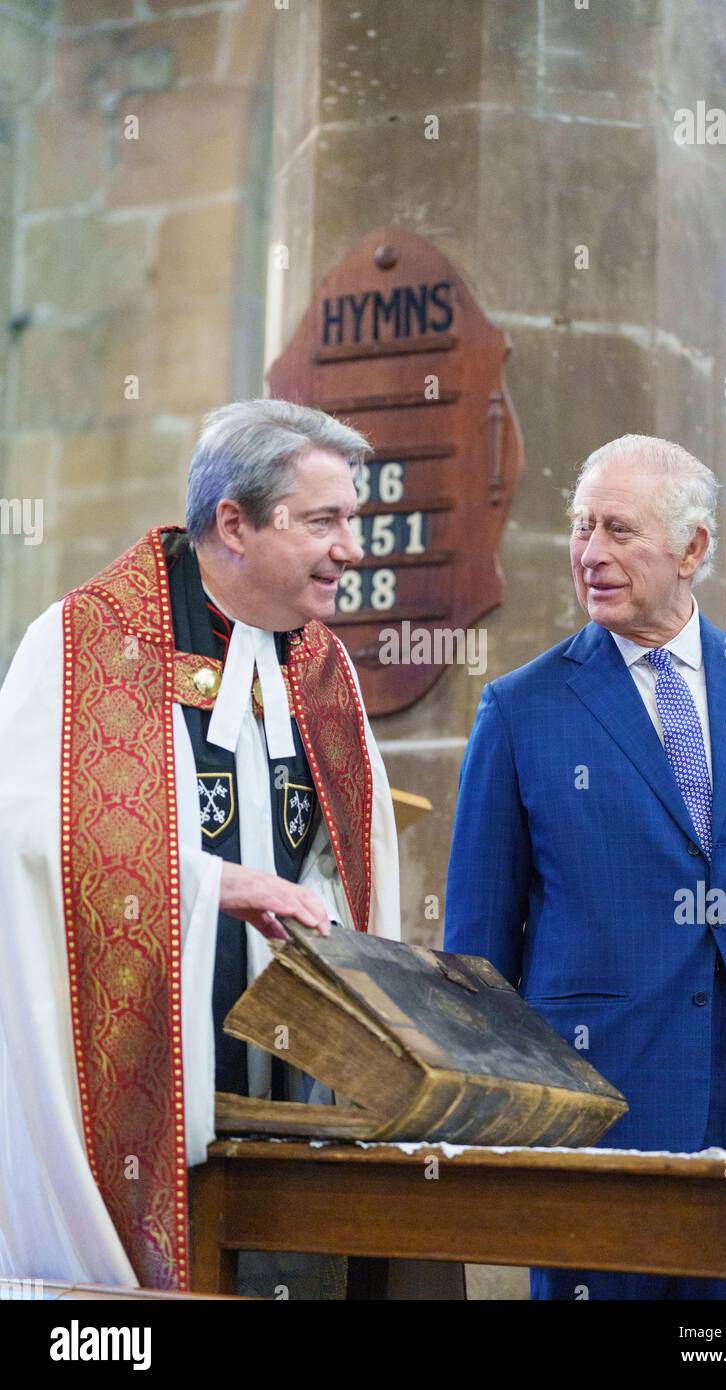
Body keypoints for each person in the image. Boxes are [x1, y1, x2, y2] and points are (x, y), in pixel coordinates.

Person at [0, 399, 401, 1294]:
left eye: (354, 520)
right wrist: (210, 883)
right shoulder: (84, 645)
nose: (352, 549)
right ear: (233, 524)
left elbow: (352, 867)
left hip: (290, 1109)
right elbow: (22, 842)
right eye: (326, 521)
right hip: (142, 1097)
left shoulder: (324, 670)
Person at [444, 434, 726, 1301]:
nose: (590, 553)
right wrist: (511, 1108)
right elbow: (477, 946)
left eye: (619, 530)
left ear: (694, 549)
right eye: (582, 527)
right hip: (602, 1113)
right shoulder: (522, 710)